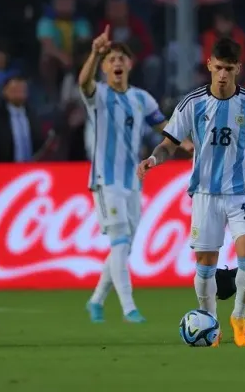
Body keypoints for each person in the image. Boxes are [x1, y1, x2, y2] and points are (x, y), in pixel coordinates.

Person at [137, 38, 245, 347]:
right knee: (206, 262)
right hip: (204, 193)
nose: (223, 75)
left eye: (229, 69)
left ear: (237, 69)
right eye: (218, 68)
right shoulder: (192, 104)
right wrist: (153, 159)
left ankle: (239, 316)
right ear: (209, 66)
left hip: (241, 191)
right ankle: (210, 320)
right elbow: (168, 144)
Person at [77, 26, 191, 324]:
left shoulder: (141, 98)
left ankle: (96, 300)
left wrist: (184, 142)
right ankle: (129, 308)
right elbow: (83, 82)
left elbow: (162, 125)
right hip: (105, 180)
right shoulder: (98, 95)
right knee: (118, 240)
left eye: (121, 59)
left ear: (129, 65)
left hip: (132, 181)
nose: (117, 63)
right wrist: (94, 52)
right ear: (104, 66)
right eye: (111, 59)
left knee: (123, 246)